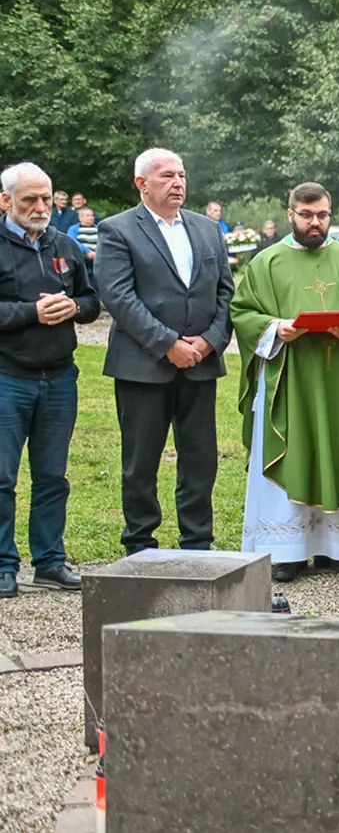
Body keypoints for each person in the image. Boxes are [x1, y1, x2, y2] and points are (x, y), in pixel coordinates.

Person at [230, 182, 339, 582]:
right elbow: (243, 311)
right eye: (306, 215)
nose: (315, 223)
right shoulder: (266, 262)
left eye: (322, 215)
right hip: (290, 379)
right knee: (294, 446)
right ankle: (285, 549)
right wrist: (275, 328)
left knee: (338, 447)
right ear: (290, 214)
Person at [95, 149, 235, 555]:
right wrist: (167, 344)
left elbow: (224, 290)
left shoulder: (206, 230)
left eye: (182, 175)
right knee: (141, 463)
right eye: (167, 176)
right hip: (143, 366)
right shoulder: (118, 230)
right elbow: (119, 297)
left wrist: (209, 340)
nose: (178, 183)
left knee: (200, 461)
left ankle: (197, 542)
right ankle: (140, 544)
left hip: (200, 364)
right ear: (142, 183)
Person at [0, 163, 100, 596]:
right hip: (8, 378)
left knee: (52, 477)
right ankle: (4, 565)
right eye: (30, 200)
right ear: (5, 201)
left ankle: (49, 561)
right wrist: (31, 313)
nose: (41, 207)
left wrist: (74, 308)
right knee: (2, 479)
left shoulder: (64, 244)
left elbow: (93, 300)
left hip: (60, 378)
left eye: (46, 198)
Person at [67, 207, 99, 276]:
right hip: (81, 260)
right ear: (80, 218)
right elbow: (71, 240)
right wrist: (87, 251)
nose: (91, 218)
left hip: (96, 262)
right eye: (88, 216)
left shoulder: (98, 228)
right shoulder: (74, 228)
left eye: (92, 215)